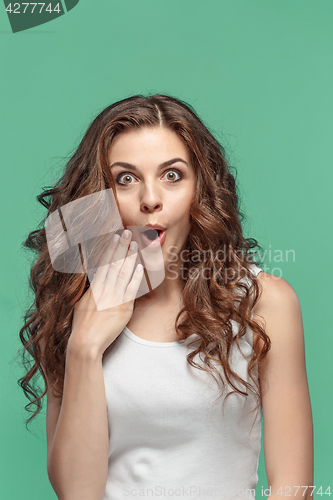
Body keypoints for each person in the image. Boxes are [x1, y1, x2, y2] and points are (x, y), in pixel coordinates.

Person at [18, 94, 313, 500]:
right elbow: (77, 492)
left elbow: (294, 486)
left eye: (172, 175)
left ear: (200, 191)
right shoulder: (72, 308)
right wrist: (84, 346)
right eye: (126, 178)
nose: (150, 198)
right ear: (100, 199)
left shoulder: (264, 302)